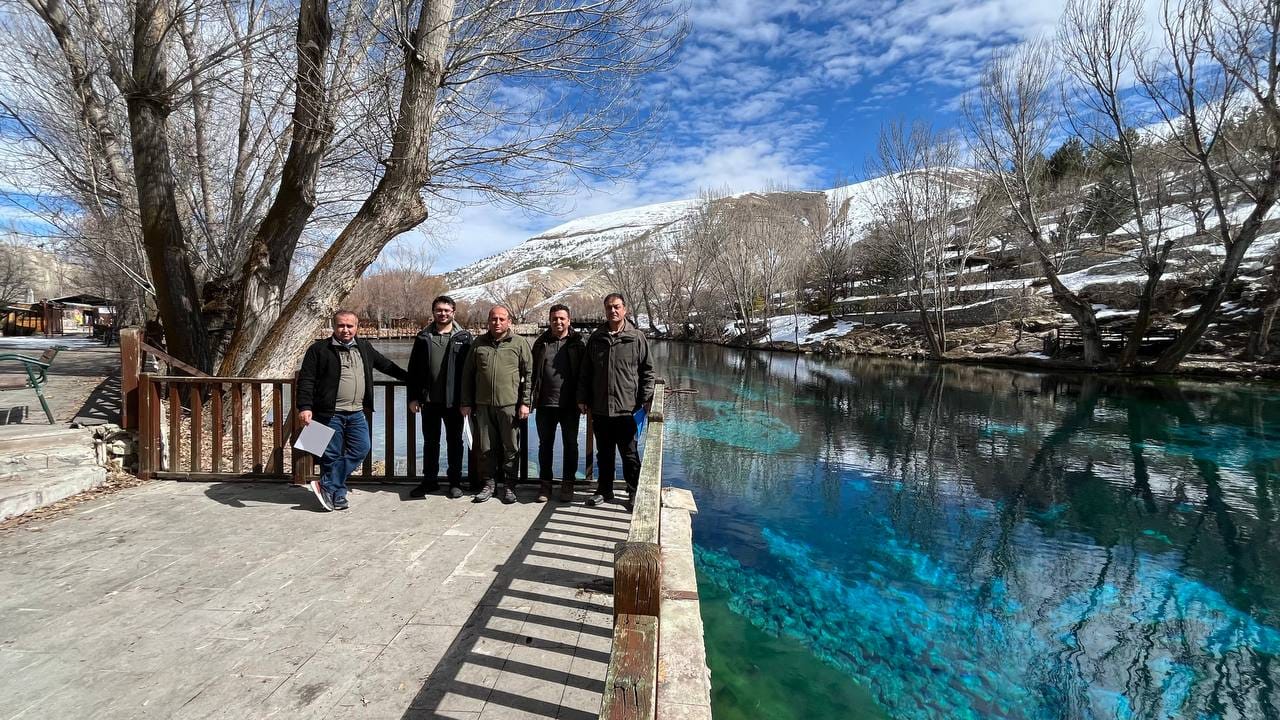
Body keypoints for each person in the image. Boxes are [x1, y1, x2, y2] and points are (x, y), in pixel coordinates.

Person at [296, 310, 409, 511]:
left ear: (357, 327)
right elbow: (306, 379)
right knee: (330, 456)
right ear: (333, 326)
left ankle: (328, 485)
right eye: (341, 325)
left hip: (357, 412)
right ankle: (337, 496)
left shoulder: (364, 347)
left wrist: (413, 379)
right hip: (328, 413)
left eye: (350, 326)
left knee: (361, 449)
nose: (345, 329)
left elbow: (387, 366)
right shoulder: (319, 349)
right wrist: (304, 407)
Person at [577, 293, 654, 510]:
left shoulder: (636, 337)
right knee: (605, 453)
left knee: (630, 454)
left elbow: (647, 371)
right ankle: (604, 490)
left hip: (627, 408)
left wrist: (645, 398)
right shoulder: (596, 338)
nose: (613, 311)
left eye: (617, 307)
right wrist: (583, 398)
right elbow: (586, 372)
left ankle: (633, 491)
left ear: (625, 309)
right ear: (605, 310)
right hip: (601, 408)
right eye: (609, 307)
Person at [460, 305, 532, 504]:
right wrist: (466, 402)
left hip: (509, 405)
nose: (497, 323)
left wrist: (525, 402)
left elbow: (529, 374)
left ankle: (509, 485)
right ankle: (489, 484)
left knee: (511, 447)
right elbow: (467, 375)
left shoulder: (519, 343)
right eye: (493, 319)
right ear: (488, 321)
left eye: (502, 319)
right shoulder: (478, 344)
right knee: (485, 447)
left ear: (509, 321)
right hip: (482, 406)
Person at [406, 295, 474, 499]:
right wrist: (413, 397)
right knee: (430, 442)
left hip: (454, 402)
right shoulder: (423, 337)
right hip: (429, 402)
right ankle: (429, 481)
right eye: (439, 310)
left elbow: (470, 372)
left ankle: (455, 482)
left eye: (447, 310)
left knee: (455, 442)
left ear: (453, 312)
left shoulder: (464, 337)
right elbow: (414, 370)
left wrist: (466, 401)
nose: (442, 313)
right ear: (433, 312)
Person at [530, 304, 586, 503]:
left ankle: (568, 484)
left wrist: (583, 399)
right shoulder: (540, 343)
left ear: (569, 320)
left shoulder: (578, 344)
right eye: (554, 318)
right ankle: (545, 485)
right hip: (545, 405)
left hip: (570, 405)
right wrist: (530, 400)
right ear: (550, 320)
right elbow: (532, 374)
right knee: (545, 446)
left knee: (571, 445)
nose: (558, 322)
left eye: (562, 318)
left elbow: (584, 374)